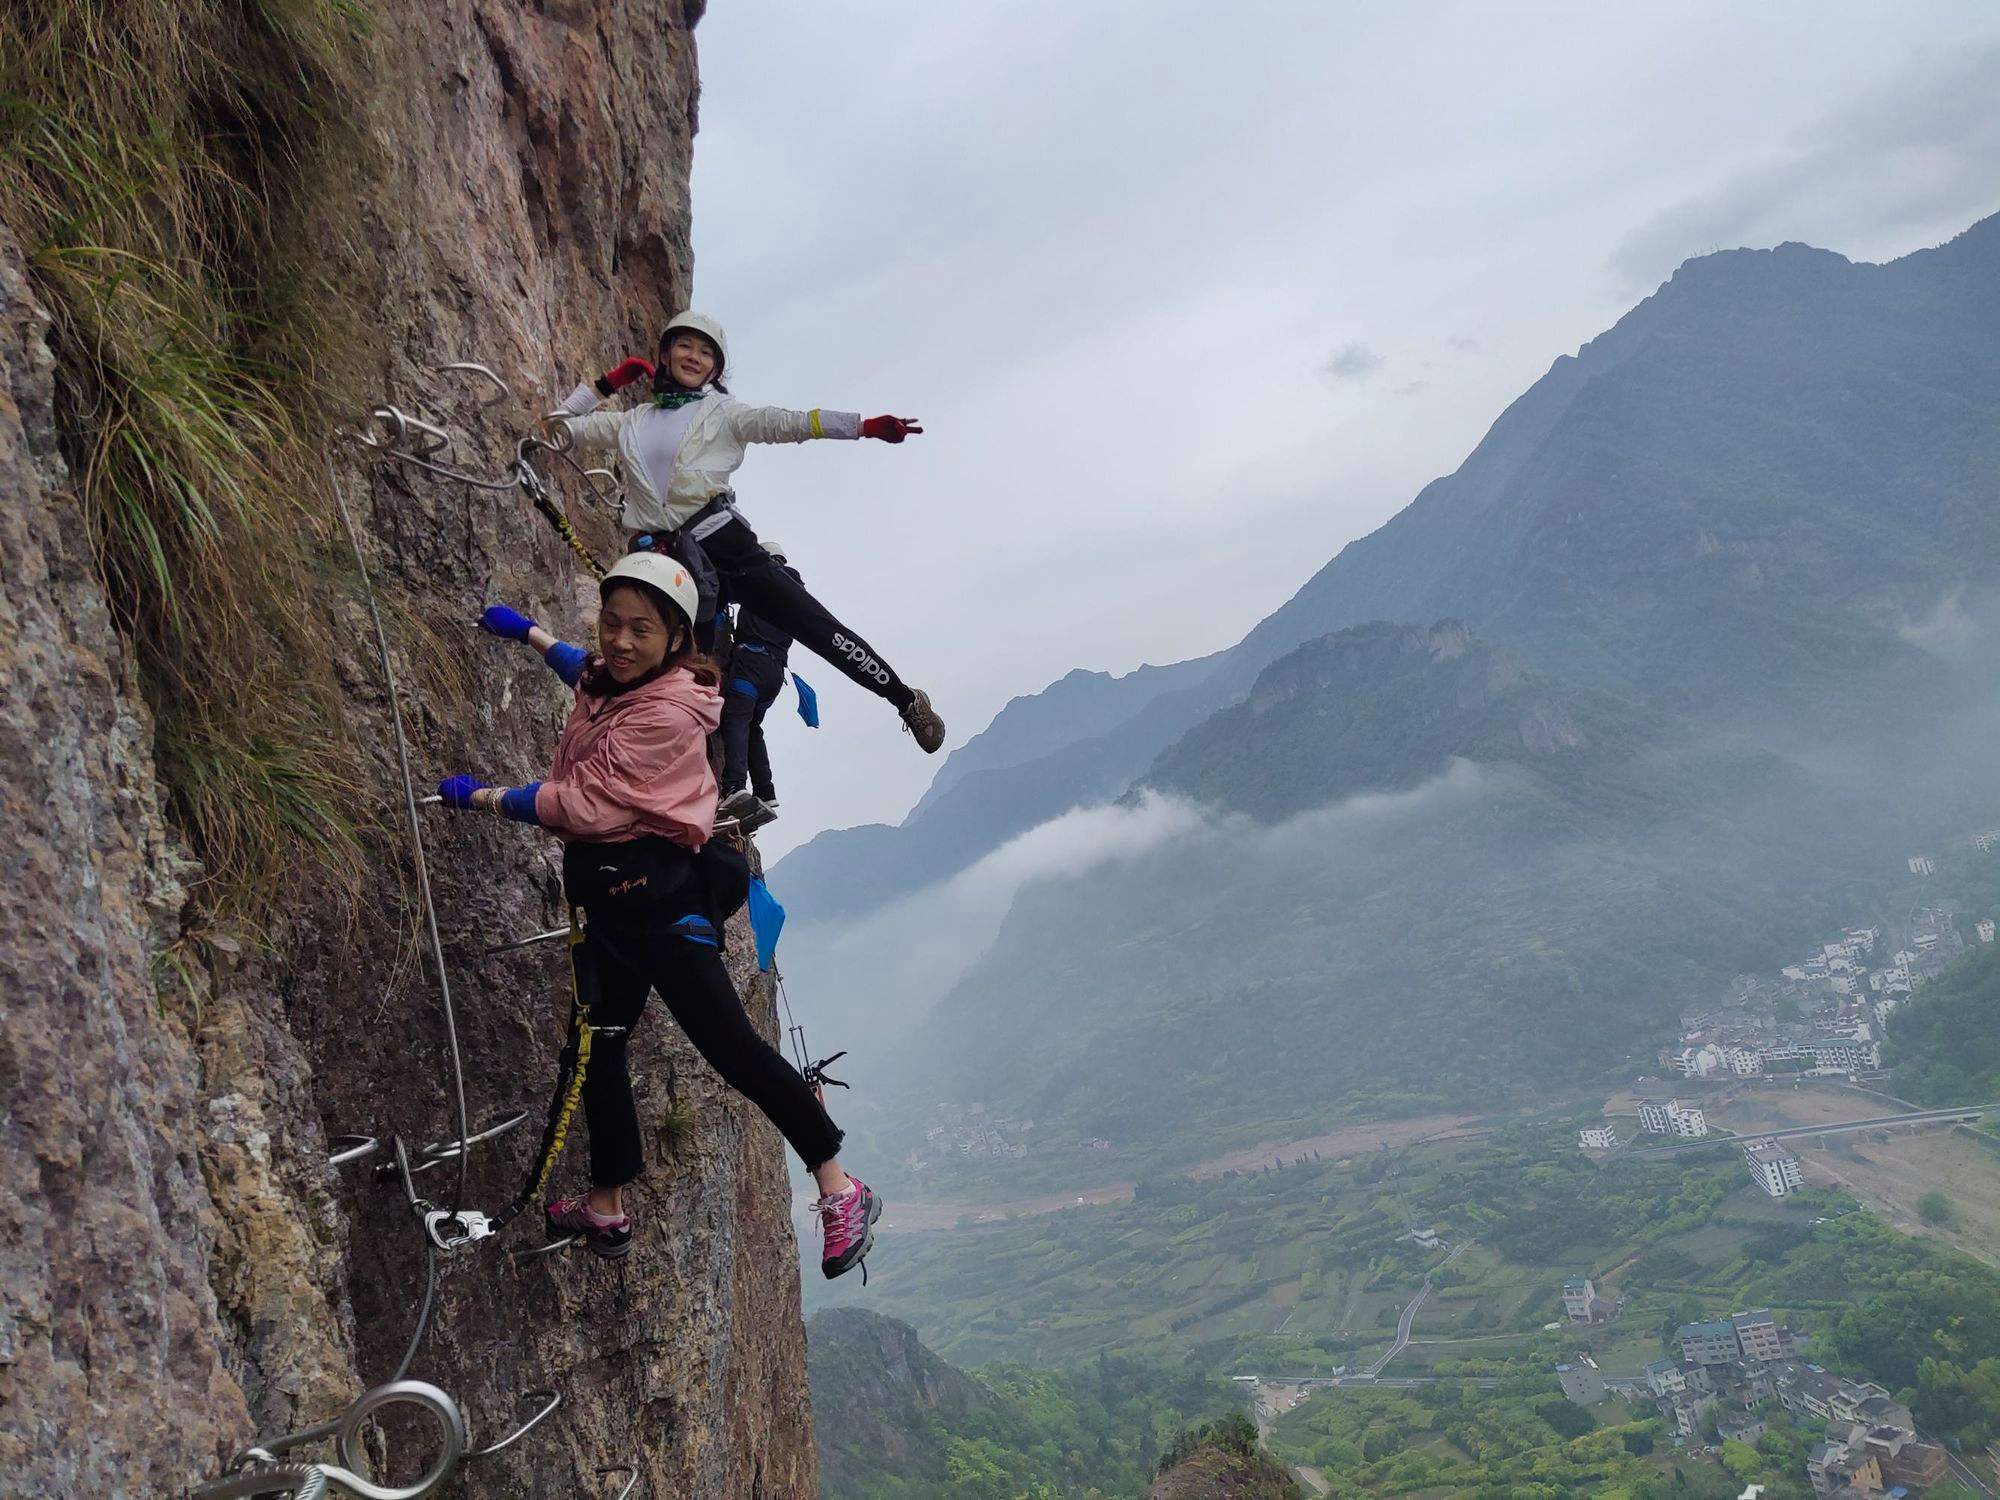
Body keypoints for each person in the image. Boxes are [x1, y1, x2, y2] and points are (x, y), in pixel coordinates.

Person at [433, 553, 880, 1278]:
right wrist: (533, 636)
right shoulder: (622, 678)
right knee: (596, 1049)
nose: (620, 639)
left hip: (662, 909)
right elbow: (590, 672)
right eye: (613, 621)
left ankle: (839, 1183)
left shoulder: (669, 715)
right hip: (612, 911)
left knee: (734, 1052)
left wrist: (482, 798)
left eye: (642, 629)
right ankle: (607, 1205)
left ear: (677, 640)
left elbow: (581, 805)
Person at [550, 311, 947, 756]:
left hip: (725, 542)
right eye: (684, 346)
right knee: (687, 674)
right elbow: (557, 429)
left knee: (815, 626)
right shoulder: (631, 423)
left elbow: (787, 423)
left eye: (706, 353)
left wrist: (861, 426)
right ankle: (705, 784)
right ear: (664, 353)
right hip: (672, 560)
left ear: (715, 369)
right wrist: (608, 383)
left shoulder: (722, 414)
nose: (694, 357)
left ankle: (905, 700)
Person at [716, 537, 802, 827]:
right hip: (775, 674)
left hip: (751, 663)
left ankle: (733, 786)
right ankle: (766, 790)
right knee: (753, 726)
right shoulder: (794, 594)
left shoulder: (759, 579)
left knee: (736, 721)